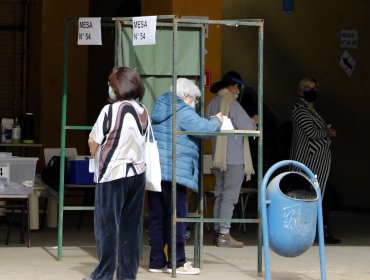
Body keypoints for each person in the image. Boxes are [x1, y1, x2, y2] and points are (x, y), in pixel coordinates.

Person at [148, 78, 223, 275]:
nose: (195, 104)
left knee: (157, 217)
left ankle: (156, 262)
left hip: (157, 173)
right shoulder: (182, 110)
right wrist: (218, 120)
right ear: (186, 96)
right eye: (195, 100)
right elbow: (205, 130)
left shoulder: (160, 108)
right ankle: (178, 262)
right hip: (175, 173)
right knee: (177, 218)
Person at [85, 66, 148, 280]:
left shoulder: (110, 110)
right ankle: (127, 275)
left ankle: (102, 275)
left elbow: (93, 141)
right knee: (131, 228)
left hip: (113, 174)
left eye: (110, 85)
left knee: (107, 227)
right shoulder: (143, 111)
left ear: (119, 87)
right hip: (138, 174)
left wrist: (95, 151)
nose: (109, 89)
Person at [206, 71, 258, 248]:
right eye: (237, 88)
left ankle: (217, 231)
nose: (238, 91)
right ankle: (224, 234)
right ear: (233, 87)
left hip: (218, 158)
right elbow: (248, 127)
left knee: (220, 194)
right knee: (230, 197)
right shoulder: (233, 104)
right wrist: (254, 121)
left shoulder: (212, 103)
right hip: (234, 158)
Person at [290, 77, 341, 244]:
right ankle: (310, 233)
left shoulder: (312, 111)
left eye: (314, 88)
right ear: (300, 91)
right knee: (310, 199)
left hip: (317, 165)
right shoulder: (300, 110)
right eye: (307, 87)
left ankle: (321, 232)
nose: (311, 90)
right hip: (308, 164)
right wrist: (327, 133)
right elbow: (311, 133)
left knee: (320, 198)